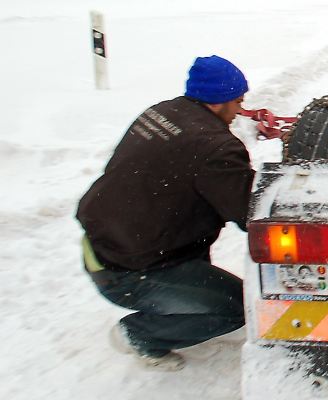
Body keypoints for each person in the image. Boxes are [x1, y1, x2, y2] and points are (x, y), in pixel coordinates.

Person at [76, 55, 253, 371]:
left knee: (187, 211)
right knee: (238, 307)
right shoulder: (216, 147)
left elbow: (179, 162)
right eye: (238, 100)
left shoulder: (161, 112)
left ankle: (187, 302)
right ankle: (140, 334)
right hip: (131, 270)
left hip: (105, 244)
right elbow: (248, 214)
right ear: (219, 101)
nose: (240, 109)